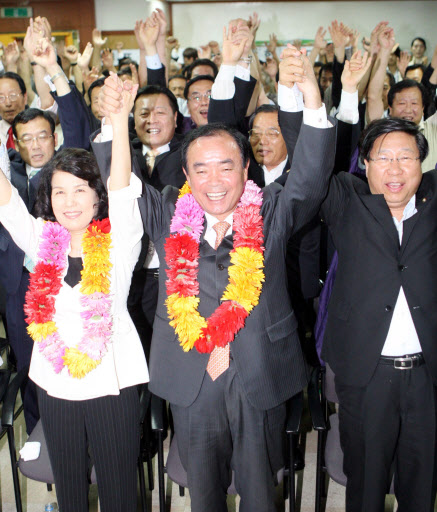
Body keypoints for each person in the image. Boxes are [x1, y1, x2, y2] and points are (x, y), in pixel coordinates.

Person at [99, 42, 337, 511]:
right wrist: (115, 121)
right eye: (200, 169)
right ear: (185, 174)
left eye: (226, 167)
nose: (214, 180)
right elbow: (119, 183)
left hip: (258, 367)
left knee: (258, 488)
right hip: (191, 374)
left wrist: (311, 95)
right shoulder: (168, 210)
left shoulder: (268, 210)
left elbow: (309, 180)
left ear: (245, 170)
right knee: (203, 489)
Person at [0, 75, 148, 512]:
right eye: (58, 191)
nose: (69, 202)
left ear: (96, 198)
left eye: (80, 190)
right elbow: (6, 197)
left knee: (120, 491)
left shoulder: (121, 239)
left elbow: (122, 185)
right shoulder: (43, 241)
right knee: (69, 491)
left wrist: (119, 121)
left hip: (111, 385)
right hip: (54, 384)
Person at [321, 116, 437, 512]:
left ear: (422, 164)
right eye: (383, 157)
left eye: (406, 157)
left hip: (428, 377)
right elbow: (312, 167)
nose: (395, 168)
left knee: (422, 487)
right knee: (366, 487)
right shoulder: (345, 199)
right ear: (365, 164)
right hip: (367, 376)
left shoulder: (433, 202)